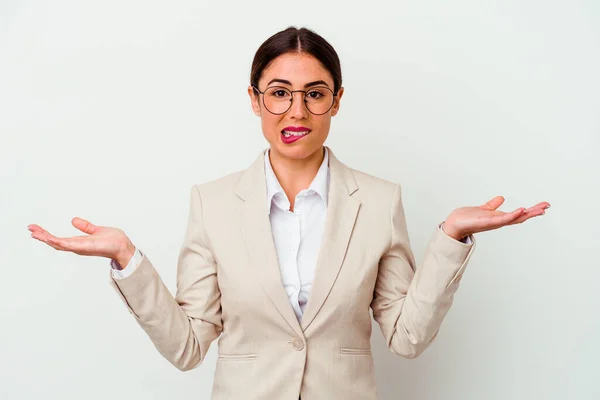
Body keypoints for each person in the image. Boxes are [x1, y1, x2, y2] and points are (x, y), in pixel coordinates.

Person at [28, 26, 550, 400]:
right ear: (255, 101)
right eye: (279, 94)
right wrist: (126, 258)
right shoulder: (210, 203)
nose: (296, 112)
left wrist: (451, 237)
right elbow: (188, 346)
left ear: (337, 101)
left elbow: (407, 338)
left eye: (314, 94)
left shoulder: (379, 200)